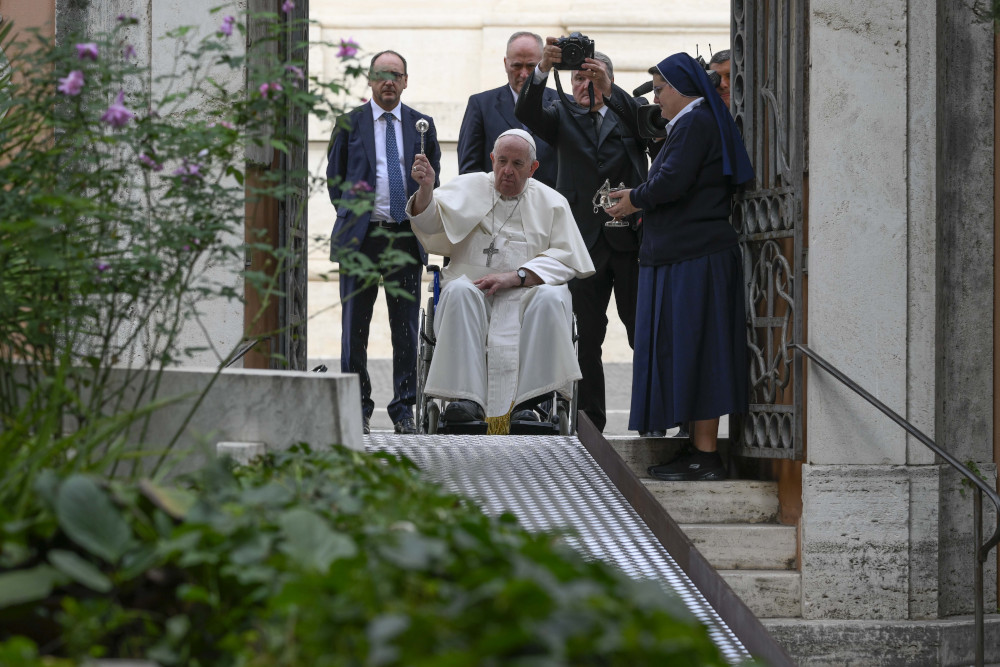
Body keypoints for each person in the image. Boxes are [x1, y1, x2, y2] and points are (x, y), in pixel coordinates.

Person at [606, 53, 754, 480]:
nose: (657, 97)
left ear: (683, 88)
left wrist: (634, 198)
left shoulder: (694, 121)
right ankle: (697, 449)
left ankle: (705, 456)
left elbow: (671, 181)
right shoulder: (694, 122)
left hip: (695, 259)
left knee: (699, 351)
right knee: (688, 352)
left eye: (660, 88)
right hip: (685, 256)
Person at [407, 130, 595, 428]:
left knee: (552, 297)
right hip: (474, 291)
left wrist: (517, 277)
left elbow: (568, 260)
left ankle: (529, 405)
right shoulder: (468, 187)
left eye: (517, 164)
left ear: (533, 168)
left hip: (526, 297)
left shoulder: (552, 203)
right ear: (492, 159)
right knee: (457, 291)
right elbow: (429, 225)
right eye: (502, 161)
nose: (507, 171)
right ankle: (464, 400)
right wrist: (427, 189)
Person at [515, 43, 648, 433]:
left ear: (607, 80)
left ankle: (653, 418)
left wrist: (610, 91)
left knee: (642, 331)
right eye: (578, 77)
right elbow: (525, 111)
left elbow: (648, 131)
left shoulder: (629, 113)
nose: (583, 84)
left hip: (628, 243)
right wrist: (542, 68)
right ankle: (590, 422)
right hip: (581, 243)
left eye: (592, 77)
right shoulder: (561, 115)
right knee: (586, 338)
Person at [326, 50, 442, 435]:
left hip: (404, 239)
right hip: (362, 240)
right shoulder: (349, 123)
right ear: (370, 80)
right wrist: (355, 216)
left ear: (405, 80)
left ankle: (404, 409)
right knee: (354, 327)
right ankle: (357, 408)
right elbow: (335, 180)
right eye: (381, 74)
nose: (388, 81)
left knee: (405, 329)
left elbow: (433, 183)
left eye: (396, 74)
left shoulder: (422, 125)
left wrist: (425, 181)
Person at [458, 32, 559, 188]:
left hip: (548, 206)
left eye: (531, 66)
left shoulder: (562, 104)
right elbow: (469, 171)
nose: (524, 74)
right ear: (506, 63)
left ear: (543, 64)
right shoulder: (481, 105)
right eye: (517, 66)